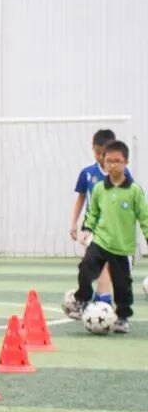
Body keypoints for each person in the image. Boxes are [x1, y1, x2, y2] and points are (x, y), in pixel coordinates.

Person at [69, 140, 148, 334]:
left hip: (122, 247)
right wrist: (87, 228)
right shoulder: (99, 189)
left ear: (126, 162)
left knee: (123, 286)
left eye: (117, 161)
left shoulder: (134, 191)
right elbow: (93, 212)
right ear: (104, 162)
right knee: (86, 267)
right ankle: (82, 299)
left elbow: (144, 217)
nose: (113, 165)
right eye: (109, 161)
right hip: (100, 242)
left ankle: (122, 317)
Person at [69, 129, 134, 306]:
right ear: (93, 149)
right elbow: (81, 198)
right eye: (97, 152)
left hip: (113, 229)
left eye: (103, 153)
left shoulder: (124, 174)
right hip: (91, 228)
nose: (100, 156)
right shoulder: (87, 173)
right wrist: (73, 223)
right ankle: (98, 299)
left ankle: (100, 299)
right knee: (95, 265)